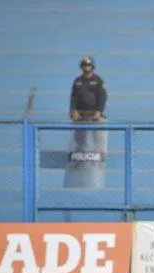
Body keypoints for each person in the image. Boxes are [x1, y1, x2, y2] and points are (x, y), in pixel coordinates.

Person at [65, 55, 108, 188]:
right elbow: (73, 97)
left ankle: (96, 158)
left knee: (96, 137)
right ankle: (79, 157)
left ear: (92, 67)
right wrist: (73, 111)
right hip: (81, 115)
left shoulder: (98, 81)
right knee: (79, 137)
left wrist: (99, 111)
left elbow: (102, 97)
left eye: (88, 65)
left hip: (94, 115)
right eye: (84, 65)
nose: (86, 68)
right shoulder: (77, 81)